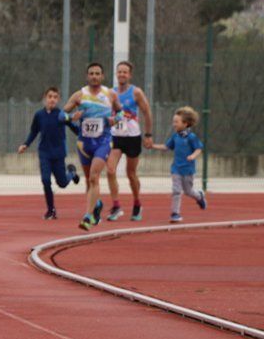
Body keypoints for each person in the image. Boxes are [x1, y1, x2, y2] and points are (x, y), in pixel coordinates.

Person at [60, 62, 123, 231]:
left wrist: (114, 120)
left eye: (97, 73)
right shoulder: (79, 95)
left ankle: (87, 217)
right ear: (87, 76)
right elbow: (61, 114)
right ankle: (97, 204)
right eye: (91, 73)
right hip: (84, 143)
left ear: (102, 76)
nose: (94, 76)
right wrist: (72, 116)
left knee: (94, 177)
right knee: (89, 181)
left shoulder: (110, 94)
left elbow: (122, 113)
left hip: (103, 142)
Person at [18, 86, 81, 219]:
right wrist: (25, 144)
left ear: (58, 100)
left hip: (58, 154)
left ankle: (72, 173)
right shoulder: (39, 115)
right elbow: (34, 132)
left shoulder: (61, 115)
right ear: (44, 99)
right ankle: (51, 210)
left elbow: (74, 128)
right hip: (44, 153)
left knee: (62, 184)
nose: (52, 99)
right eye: (50, 97)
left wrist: (82, 132)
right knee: (46, 180)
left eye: (55, 97)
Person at [107, 61, 154, 221]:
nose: (122, 74)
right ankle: (116, 206)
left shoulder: (136, 92)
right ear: (116, 74)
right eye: (119, 72)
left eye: (125, 72)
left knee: (131, 174)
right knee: (110, 170)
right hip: (116, 136)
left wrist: (148, 135)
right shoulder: (111, 93)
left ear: (130, 75)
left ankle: (137, 203)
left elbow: (147, 112)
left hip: (133, 136)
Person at [150, 106, 206, 223]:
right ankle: (175, 213)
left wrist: (193, 156)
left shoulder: (191, 137)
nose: (174, 124)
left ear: (185, 123)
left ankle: (199, 196)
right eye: (173, 122)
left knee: (188, 191)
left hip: (188, 169)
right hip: (176, 169)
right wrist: (153, 146)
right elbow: (166, 147)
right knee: (176, 191)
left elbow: (198, 148)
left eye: (176, 122)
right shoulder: (175, 136)